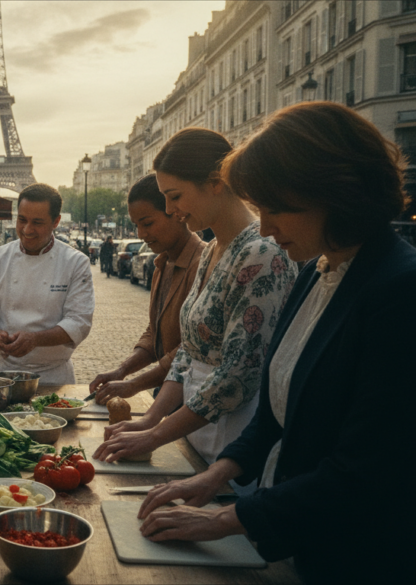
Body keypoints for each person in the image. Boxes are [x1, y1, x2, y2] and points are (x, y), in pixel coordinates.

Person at [136, 102, 413, 583]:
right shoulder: (316, 270)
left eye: (275, 208)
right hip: (301, 535)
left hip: (360, 557)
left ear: (333, 192)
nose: (263, 227)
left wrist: (226, 520)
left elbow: (365, 469)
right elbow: (276, 411)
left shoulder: (400, 292)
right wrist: (217, 473)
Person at [93, 128, 296, 487]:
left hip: (235, 440)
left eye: (175, 197)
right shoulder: (214, 248)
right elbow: (189, 353)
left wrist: (155, 432)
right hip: (195, 430)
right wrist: (150, 419)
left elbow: (237, 376)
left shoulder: (261, 253)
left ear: (216, 181)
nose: (171, 210)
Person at [90, 175, 205, 402]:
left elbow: (191, 349)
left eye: (148, 223)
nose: (141, 234)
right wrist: (122, 371)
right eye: (137, 226)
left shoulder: (202, 265)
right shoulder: (162, 264)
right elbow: (155, 334)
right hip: (169, 397)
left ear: (177, 213)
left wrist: (134, 384)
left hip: (193, 401)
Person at [0, 184, 95, 384]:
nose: (27, 230)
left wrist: (35, 340)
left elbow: (79, 321)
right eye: (22, 220)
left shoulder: (75, 262)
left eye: (37, 222)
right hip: (1, 372)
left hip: (53, 376)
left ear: (56, 222)